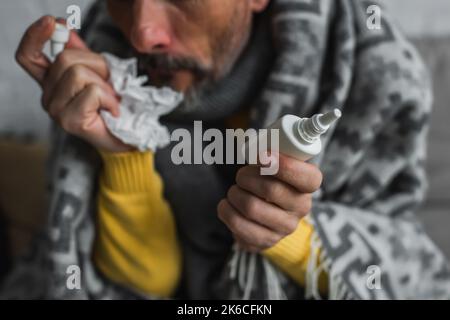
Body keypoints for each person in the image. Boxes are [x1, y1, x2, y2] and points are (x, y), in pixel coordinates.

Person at [7, 0, 450, 299]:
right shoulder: (99, 59)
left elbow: (407, 267)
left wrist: (290, 235)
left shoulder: (371, 73)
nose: (143, 36)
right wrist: (123, 153)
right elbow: (149, 287)